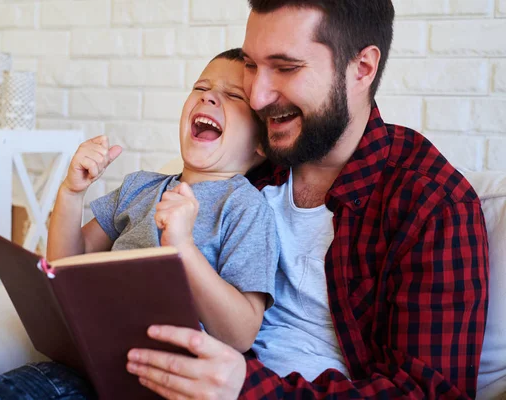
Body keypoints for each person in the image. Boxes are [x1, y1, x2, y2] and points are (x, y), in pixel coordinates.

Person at [124, 1, 490, 399]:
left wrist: (246, 389)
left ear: (362, 68)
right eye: (250, 65)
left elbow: (427, 393)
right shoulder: (244, 163)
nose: (258, 96)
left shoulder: (431, 204)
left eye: (286, 68)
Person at [0, 49, 279, 399]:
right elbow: (64, 266)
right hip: (85, 368)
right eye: (201, 87)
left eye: (232, 95)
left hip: (166, 384)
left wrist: (182, 247)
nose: (208, 96)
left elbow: (241, 333)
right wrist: (71, 192)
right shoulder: (139, 187)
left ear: (261, 144)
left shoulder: (246, 207)